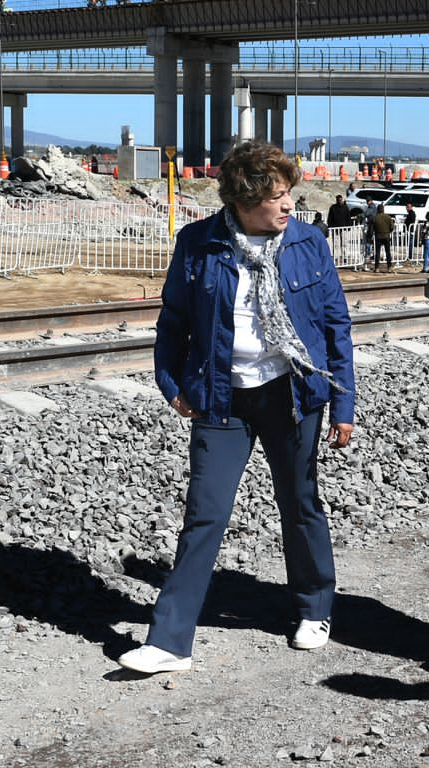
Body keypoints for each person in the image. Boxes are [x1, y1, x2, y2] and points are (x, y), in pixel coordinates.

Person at [121, 140, 357, 675]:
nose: (289, 205)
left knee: (300, 504)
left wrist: (343, 403)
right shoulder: (198, 242)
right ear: (245, 201)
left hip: (291, 393)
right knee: (204, 515)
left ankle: (314, 607)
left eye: (289, 194)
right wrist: (169, 381)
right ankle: (170, 642)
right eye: (277, 197)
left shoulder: (308, 243)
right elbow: (173, 323)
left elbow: (335, 326)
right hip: (220, 397)